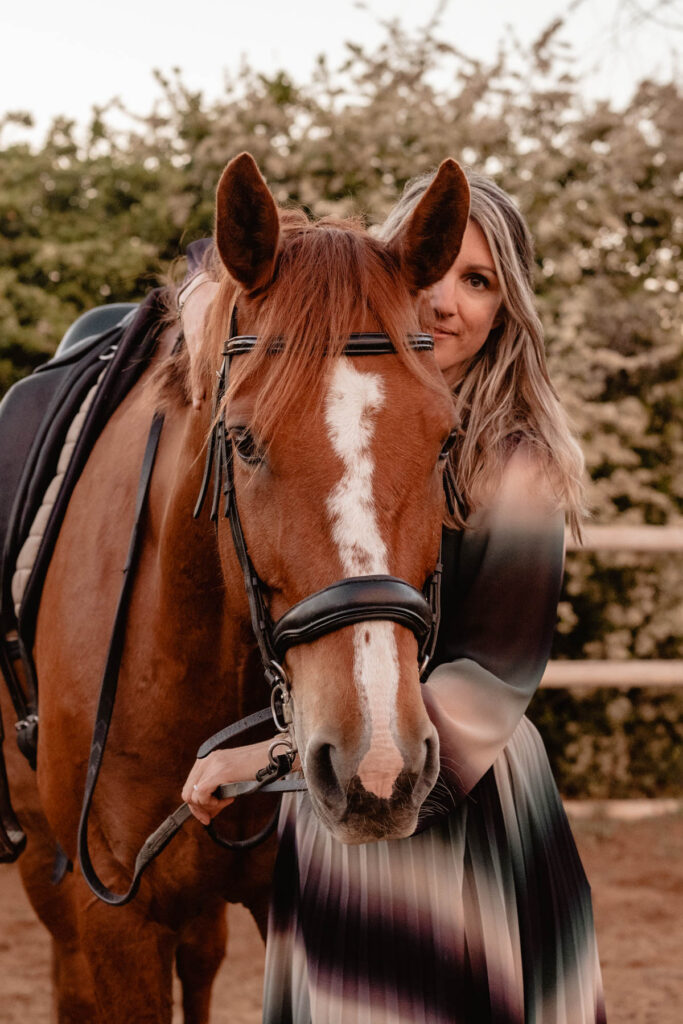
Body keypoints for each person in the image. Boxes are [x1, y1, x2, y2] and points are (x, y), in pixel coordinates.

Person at [180, 169, 606, 1024]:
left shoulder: (513, 464)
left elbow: (490, 678)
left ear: (505, 310)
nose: (445, 301)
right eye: (430, 271)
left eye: (478, 282)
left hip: (457, 796)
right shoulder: (349, 438)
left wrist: (265, 760)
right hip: (343, 777)